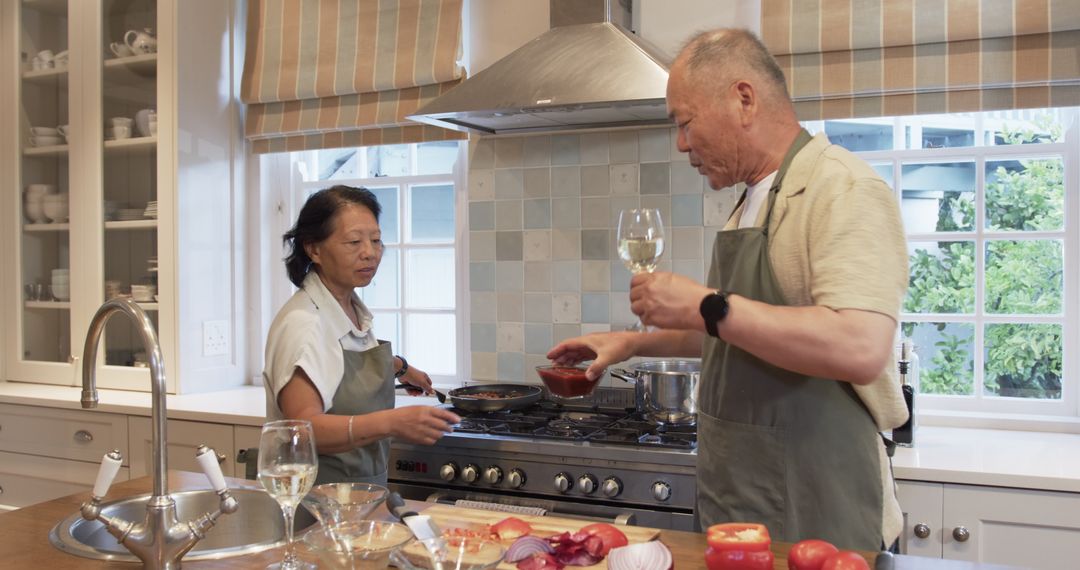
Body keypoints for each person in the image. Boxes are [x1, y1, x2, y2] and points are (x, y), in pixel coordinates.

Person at [548, 29, 909, 550]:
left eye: (685, 121)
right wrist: (631, 343)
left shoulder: (843, 188)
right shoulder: (751, 202)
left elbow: (860, 346)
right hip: (740, 494)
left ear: (743, 99)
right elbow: (736, 333)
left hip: (818, 499)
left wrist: (706, 304)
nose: (680, 142)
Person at [263, 185, 460, 485]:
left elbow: (338, 357)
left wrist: (400, 367)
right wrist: (391, 422)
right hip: (316, 503)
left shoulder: (345, 304)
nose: (370, 253)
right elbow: (303, 430)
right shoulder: (303, 324)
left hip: (357, 496)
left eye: (376, 240)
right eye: (354, 241)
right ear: (313, 249)